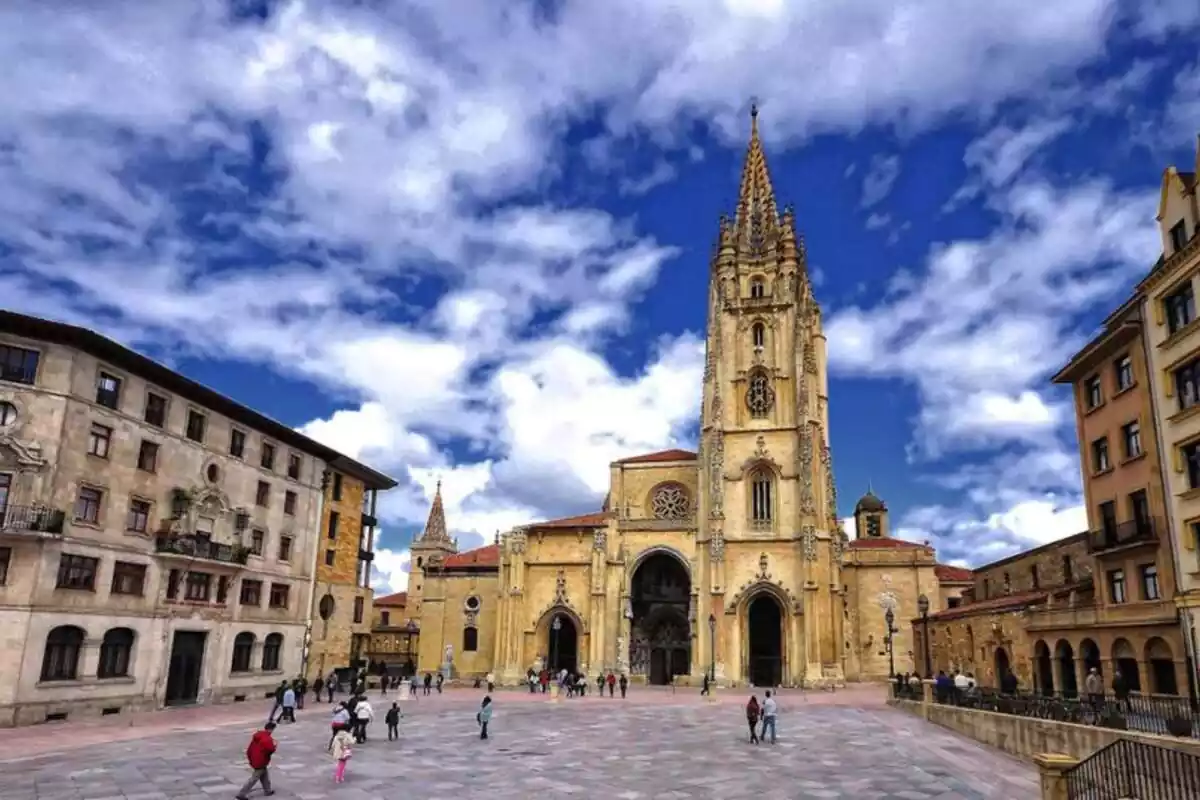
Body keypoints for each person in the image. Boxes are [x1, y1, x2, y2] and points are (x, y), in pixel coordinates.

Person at [236, 721, 277, 800]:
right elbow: (270, 749)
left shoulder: (258, 736)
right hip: (261, 761)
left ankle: (267, 790)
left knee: (264, 775)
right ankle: (241, 794)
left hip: (255, 758)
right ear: (271, 729)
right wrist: (275, 746)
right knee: (254, 778)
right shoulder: (267, 739)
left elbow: (250, 749)